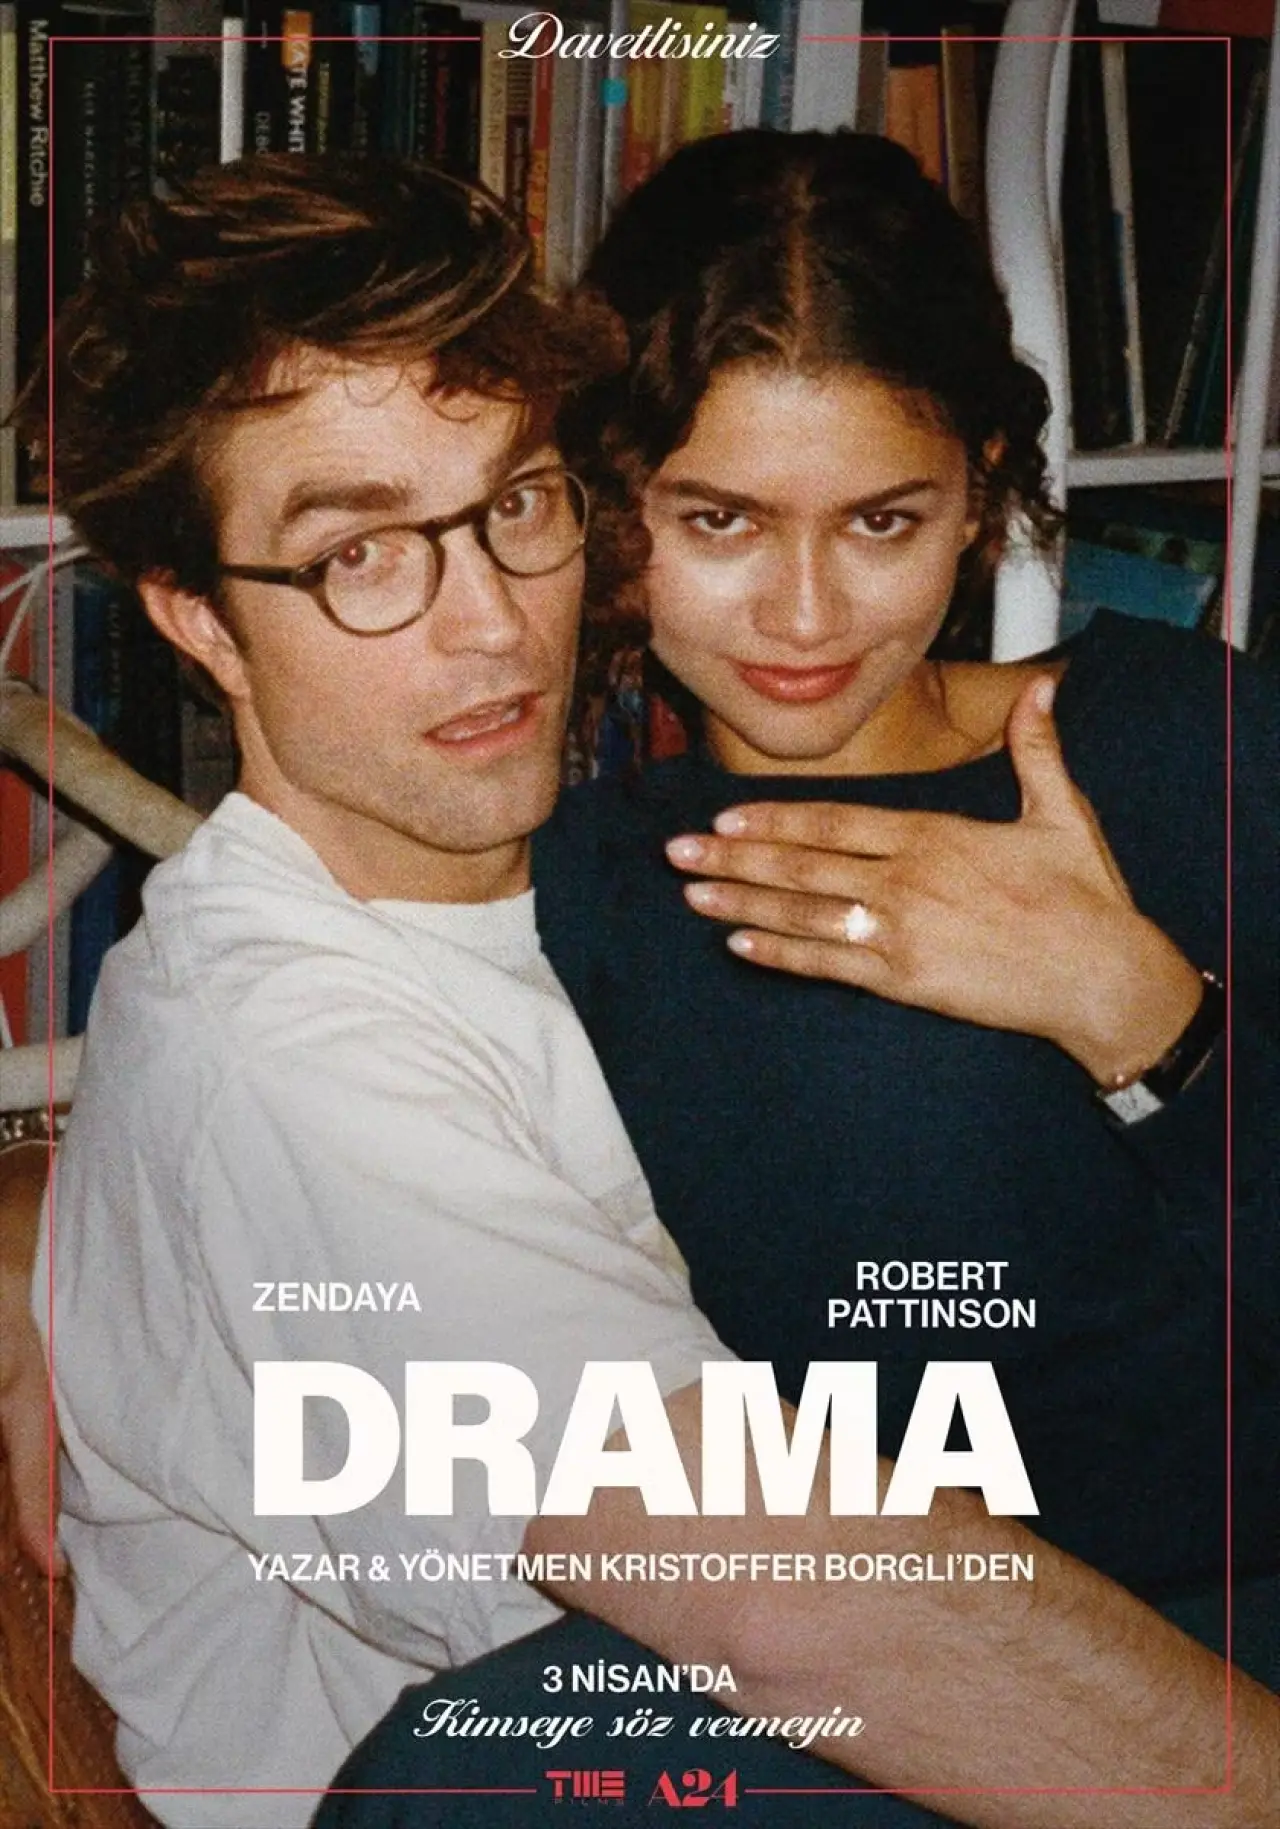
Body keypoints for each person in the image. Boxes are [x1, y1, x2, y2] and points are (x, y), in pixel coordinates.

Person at [1, 149, 1274, 1829]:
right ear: (198, 622)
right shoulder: (425, 970)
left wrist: (1158, 1026)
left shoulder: (557, 871)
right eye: (360, 554)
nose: (487, 629)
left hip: (1095, 1653)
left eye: (513, 507)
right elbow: (790, 1596)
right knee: (486, 1767)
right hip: (826, 1716)